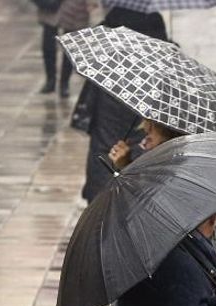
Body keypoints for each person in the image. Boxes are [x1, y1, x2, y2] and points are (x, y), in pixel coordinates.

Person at [72, 8, 169, 203]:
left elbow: (90, 115)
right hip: (145, 160)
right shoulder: (165, 66)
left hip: (106, 154)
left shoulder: (105, 66)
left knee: (103, 215)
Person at [38, 0, 96, 97]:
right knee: (48, 42)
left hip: (75, 5)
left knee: (70, 43)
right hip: (52, 5)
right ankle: (50, 80)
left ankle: (64, 83)